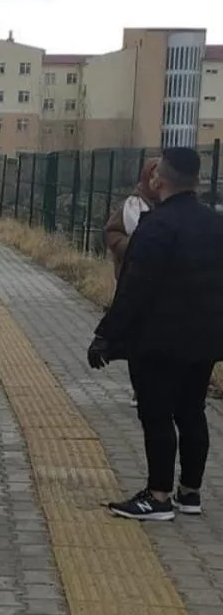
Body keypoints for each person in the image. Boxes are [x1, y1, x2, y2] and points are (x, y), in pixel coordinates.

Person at [88, 147, 223, 521]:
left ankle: (158, 495)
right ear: (197, 179)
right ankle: (190, 493)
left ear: (159, 179)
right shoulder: (215, 224)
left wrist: (106, 336)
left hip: (159, 342)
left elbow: (135, 289)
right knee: (192, 411)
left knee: (157, 415)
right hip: (205, 339)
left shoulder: (156, 226)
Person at [103, 157, 160, 408]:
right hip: (133, 281)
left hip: (164, 286)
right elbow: (115, 233)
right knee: (138, 335)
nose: (157, 180)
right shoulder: (133, 204)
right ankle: (141, 388)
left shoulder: (174, 205)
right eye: (153, 174)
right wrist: (132, 247)